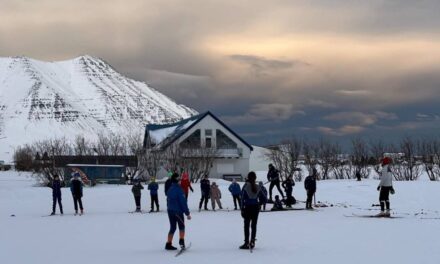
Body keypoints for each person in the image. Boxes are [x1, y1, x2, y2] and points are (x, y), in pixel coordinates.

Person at [240, 171, 267, 250]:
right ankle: (252, 242)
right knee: (254, 225)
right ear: (255, 178)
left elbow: (242, 198)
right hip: (255, 208)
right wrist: (259, 204)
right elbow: (265, 198)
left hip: (247, 208)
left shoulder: (245, 186)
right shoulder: (258, 187)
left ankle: (246, 243)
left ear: (248, 177)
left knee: (246, 225)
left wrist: (242, 209)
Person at [165, 173, 191, 250]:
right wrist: (187, 213)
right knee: (182, 226)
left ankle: (168, 244)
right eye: (179, 179)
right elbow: (183, 202)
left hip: (170, 211)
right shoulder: (179, 190)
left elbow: (168, 199)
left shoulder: (170, 189)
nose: (180, 181)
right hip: (178, 211)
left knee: (172, 227)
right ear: (177, 180)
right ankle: (181, 242)